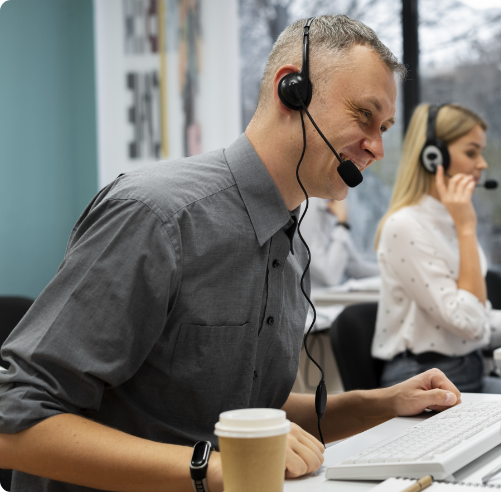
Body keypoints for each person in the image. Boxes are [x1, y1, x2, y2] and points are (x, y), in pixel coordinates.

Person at [0, 16, 462, 492]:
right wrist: (217, 467)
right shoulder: (158, 216)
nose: (378, 147)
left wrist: (380, 405)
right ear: (291, 90)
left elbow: (230, 407)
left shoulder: (291, 246)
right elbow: (14, 416)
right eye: (364, 116)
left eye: (384, 127)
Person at [372, 103, 501, 394]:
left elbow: (478, 319)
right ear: (433, 156)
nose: (483, 164)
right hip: (423, 379)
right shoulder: (405, 226)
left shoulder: (453, 218)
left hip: (468, 368)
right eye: (471, 152)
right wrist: (466, 228)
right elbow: (468, 323)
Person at [301, 197, 380, 289]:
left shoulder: (333, 205)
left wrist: (393, 270)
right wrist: (342, 223)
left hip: (326, 298)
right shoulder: (307, 206)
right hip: (314, 298)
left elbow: (355, 267)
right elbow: (330, 277)